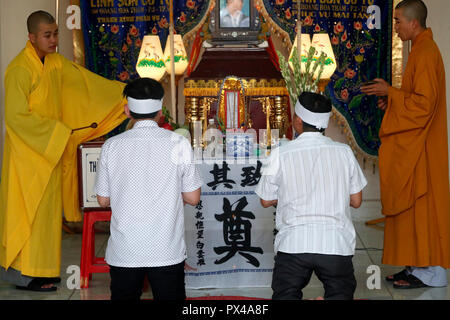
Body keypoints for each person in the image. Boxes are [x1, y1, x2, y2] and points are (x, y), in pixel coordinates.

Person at [0, 11, 126, 292]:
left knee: (46, 217)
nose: (54, 39)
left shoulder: (56, 64)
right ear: (31, 37)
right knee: (27, 214)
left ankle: (42, 270)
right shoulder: (19, 69)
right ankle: (23, 274)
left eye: (56, 33)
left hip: (50, 153)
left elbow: (86, 85)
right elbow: (16, 117)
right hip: (27, 154)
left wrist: (123, 95)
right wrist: (57, 132)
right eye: (48, 35)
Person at [361, 0, 449, 289]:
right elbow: (416, 97)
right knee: (412, 212)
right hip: (416, 144)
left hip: (421, 148)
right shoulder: (420, 49)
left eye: (398, 20)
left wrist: (392, 93)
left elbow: (424, 106)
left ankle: (430, 271)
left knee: (421, 208)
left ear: (413, 22)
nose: (395, 26)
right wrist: (394, 100)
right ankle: (415, 267)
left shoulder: (425, 52)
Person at [94, 77, 203, 301]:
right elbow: (193, 197)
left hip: (125, 250)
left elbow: (103, 200)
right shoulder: (178, 143)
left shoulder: (112, 146)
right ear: (161, 111)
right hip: (166, 248)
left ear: (127, 111)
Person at [255, 92, 367, 300]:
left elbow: (265, 199)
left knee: (285, 295)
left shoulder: (281, 153)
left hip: (293, 244)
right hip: (335, 244)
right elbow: (356, 201)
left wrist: (291, 195)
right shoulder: (344, 152)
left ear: (298, 120)